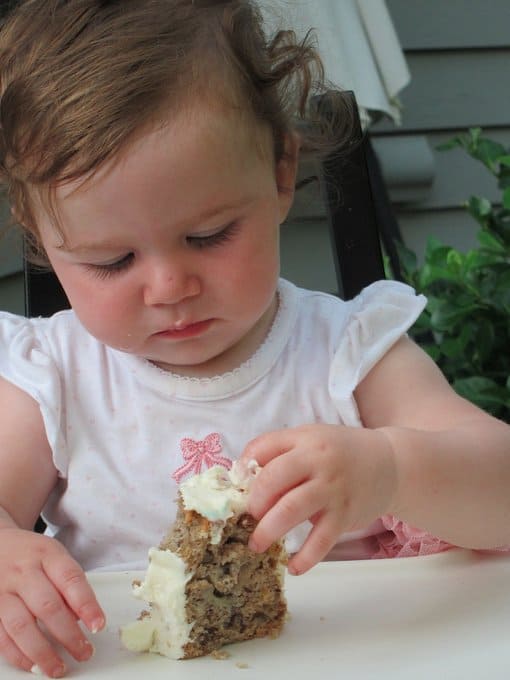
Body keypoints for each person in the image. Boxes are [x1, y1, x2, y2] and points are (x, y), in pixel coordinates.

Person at [0, 0, 509, 677]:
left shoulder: (347, 355)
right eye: (111, 262)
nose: (168, 287)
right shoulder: (56, 378)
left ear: (278, 175)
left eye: (208, 237)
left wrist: (390, 467)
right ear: (40, 238)